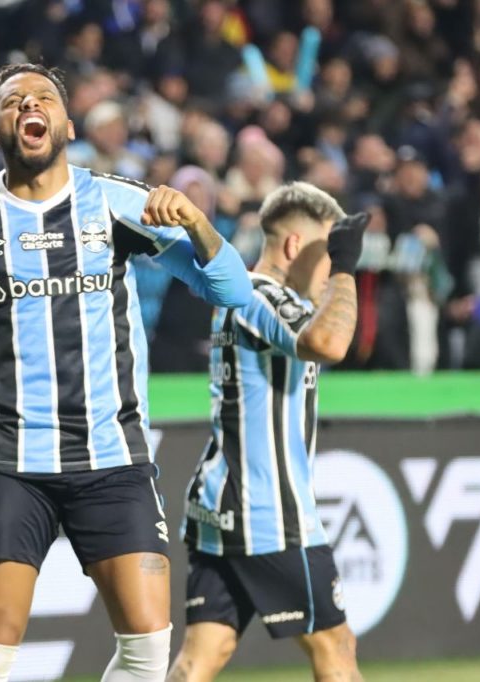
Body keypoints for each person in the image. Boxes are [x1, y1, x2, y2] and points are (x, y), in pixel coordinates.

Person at [0, 63, 252, 682]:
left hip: (111, 457)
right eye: (13, 101)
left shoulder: (116, 202)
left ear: (66, 123)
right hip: (9, 462)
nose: (30, 105)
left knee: (147, 649)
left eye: (44, 97)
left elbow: (233, 288)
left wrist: (197, 222)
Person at [169, 182, 366, 682]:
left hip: (222, 503)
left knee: (201, 657)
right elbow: (330, 341)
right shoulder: (259, 293)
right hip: (267, 511)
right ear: (296, 247)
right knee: (336, 645)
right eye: (325, 254)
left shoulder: (242, 295)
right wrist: (346, 267)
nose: (329, 271)